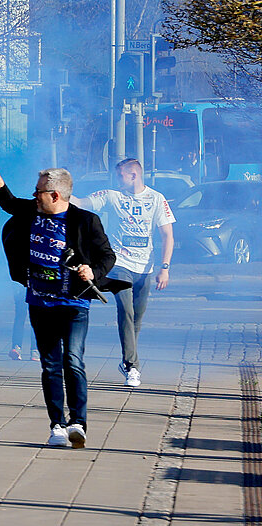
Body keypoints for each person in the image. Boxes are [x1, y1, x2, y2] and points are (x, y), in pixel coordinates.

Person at [0, 163, 122, 448]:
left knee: (73, 359)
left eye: (39, 191)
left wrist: (92, 270)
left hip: (74, 302)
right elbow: (9, 203)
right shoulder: (31, 212)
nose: (34, 195)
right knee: (50, 364)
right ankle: (57, 424)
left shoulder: (86, 221)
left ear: (55, 195)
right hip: (39, 301)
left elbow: (108, 255)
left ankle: (77, 423)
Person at [79, 158, 174, 388]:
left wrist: (164, 268)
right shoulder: (113, 195)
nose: (117, 179)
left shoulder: (156, 199)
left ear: (133, 175)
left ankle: (127, 359)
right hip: (120, 264)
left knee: (136, 320)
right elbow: (82, 202)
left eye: (120, 175)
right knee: (126, 313)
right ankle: (133, 366)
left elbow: (167, 236)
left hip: (146, 269)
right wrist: (60, 194)